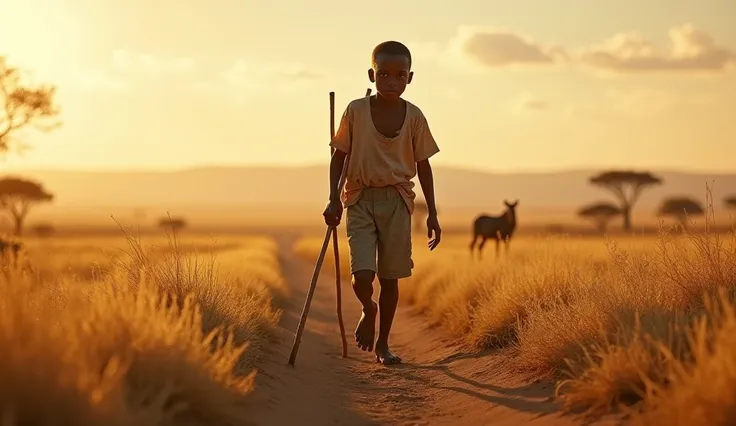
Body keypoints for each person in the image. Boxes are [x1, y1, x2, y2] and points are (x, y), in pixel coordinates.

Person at [322, 40, 442, 366]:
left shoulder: (415, 117)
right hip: (359, 199)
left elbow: (424, 165)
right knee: (362, 275)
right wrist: (334, 198)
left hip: (398, 202)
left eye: (400, 75)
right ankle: (368, 308)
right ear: (371, 75)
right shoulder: (355, 111)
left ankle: (383, 346)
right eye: (384, 74)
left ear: (410, 78)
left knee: (390, 278)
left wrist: (431, 212)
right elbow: (339, 155)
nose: (392, 81)